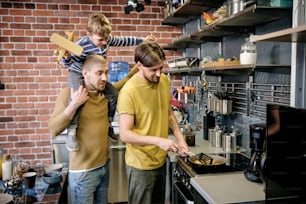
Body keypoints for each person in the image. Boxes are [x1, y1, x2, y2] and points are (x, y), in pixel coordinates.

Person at [49, 54, 138, 204]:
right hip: (83, 174)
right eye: (99, 73)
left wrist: (137, 67)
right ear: (85, 73)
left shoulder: (105, 95)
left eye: (106, 72)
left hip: (104, 167)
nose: (104, 78)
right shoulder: (69, 94)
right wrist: (74, 104)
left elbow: (124, 81)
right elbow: (53, 129)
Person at [61, 12, 156, 151]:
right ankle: (72, 130)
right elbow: (67, 63)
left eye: (106, 39)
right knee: (77, 98)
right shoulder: (81, 46)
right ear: (89, 35)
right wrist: (66, 57)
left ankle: (109, 123)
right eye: (101, 40)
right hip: (77, 72)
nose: (105, 43)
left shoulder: (107, 39)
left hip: (96, 75)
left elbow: (125, 40)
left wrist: (143, 40)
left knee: (113, 95)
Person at [117, 41, 190, 204]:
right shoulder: (129, 92)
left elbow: (169, 114)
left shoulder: (163, 81)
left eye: (160, 68)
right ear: (139, 65)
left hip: (160, 161)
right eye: (153, 70)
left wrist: (181, 140)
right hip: (140, 166)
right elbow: (125, 134)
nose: (158, 74)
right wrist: (158, 141)